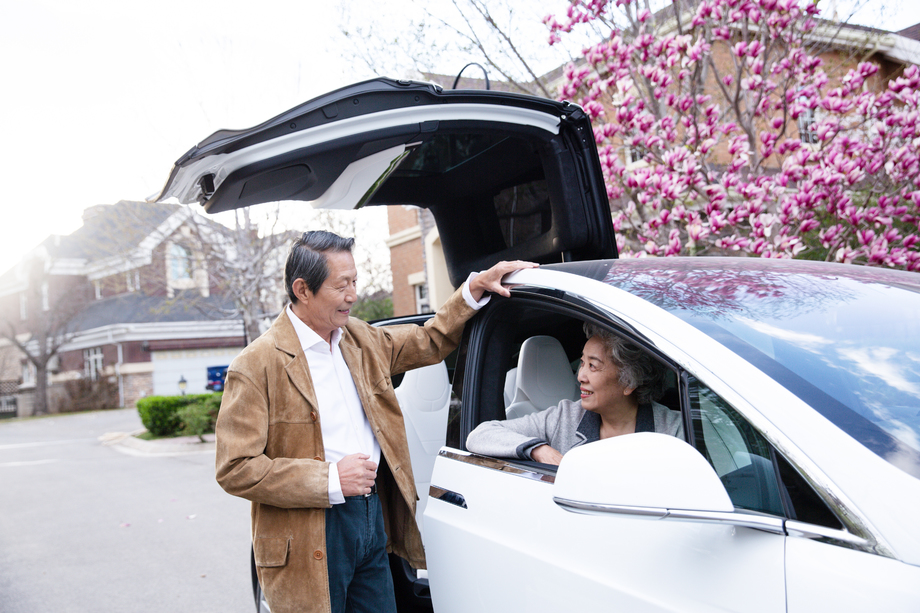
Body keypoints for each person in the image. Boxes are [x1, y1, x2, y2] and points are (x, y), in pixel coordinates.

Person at [214, 230, 535, 613]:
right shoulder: (256, 365)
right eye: (341, 285)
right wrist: (331, 479)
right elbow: (235, 468)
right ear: (302, 289)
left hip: (370, 516)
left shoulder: (359, 338)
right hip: (307, 532)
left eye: (354, 281)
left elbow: (430, 340)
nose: (352, 295)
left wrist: (472, 290)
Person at [466, 323, 683, 465]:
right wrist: (538, 450)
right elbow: (480, 435)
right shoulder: (564, 417)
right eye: (582, 363)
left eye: (593, 366)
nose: (580, 376)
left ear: (629, 381)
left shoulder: (674, 430)